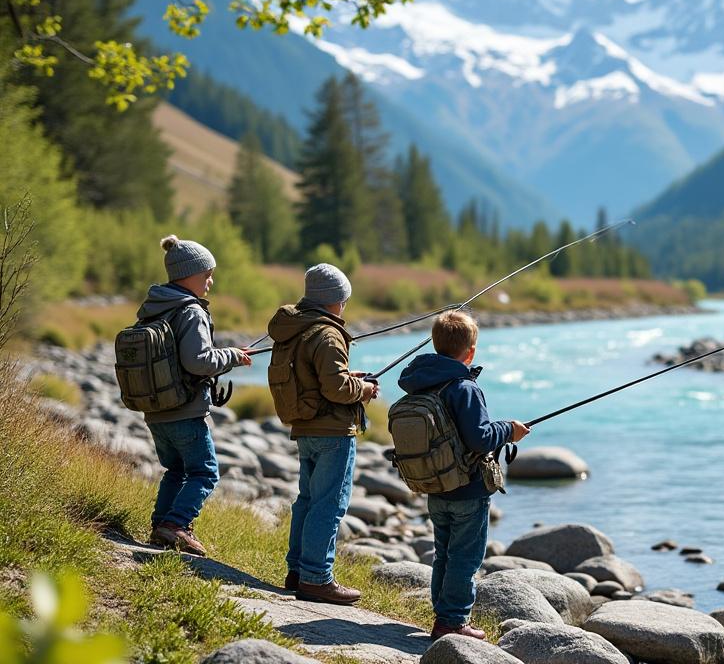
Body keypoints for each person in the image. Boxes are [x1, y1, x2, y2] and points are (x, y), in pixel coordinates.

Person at [396, 310, 529, 640]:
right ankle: (452, 621)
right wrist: (508, 430)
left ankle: (443, 613)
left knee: (444, 553)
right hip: (467, 488)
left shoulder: (421, 382)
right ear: (470, 352)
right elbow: (480, 437)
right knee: (465, 558)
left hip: (436, 487)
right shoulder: (464, 388)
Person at [266, 263, 378, 605]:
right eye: (343, 300)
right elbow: (336, 388)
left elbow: (316, 375)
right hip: (332, 431)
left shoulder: (297, 328)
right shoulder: (328, 333)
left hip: (306, 428)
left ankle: (298, 571)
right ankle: (317, 577)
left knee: (308, 500)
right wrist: (364, 389)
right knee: (329, 503)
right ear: (335, 301)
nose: (344, 307)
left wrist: (348, 376)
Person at [140, 235, 253, 556]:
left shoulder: (155, 306)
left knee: (176, 470)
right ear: (188, 274)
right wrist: (231, 355)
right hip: (184, 410)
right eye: (207, 275)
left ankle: (160, 528)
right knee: (204, 471)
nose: (211, 282)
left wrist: (229, 353)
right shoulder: (190, 312)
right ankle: (176, 525)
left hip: (156, 409)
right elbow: (198, 361)